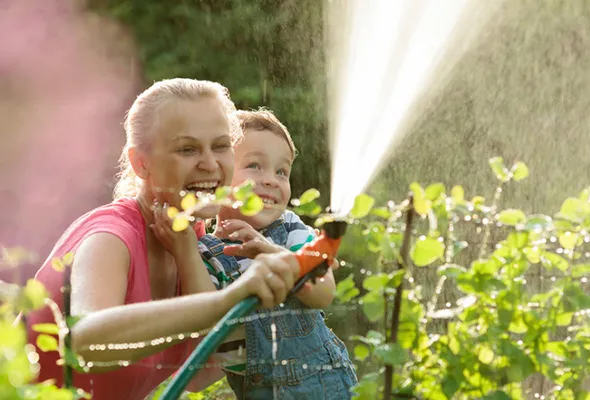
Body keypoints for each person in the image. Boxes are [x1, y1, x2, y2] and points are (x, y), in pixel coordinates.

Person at [26, 79, 305, 400]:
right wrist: (226, 301)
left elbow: (200, 374)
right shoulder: (110, 236)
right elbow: (85, 344)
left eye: (220, 145)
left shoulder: (195, 242)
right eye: (187, 149)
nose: (210, 164)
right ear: (140, 163)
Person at [197, 109, 357, 399]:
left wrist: (272, 253)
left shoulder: (293, 231)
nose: (271, 179)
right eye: (255, 165)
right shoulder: (208, 253)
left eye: (282, 171)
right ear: (219, 176)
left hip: (331, 388)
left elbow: (323, 294)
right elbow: (209, 330)